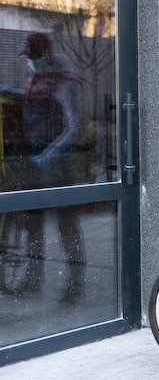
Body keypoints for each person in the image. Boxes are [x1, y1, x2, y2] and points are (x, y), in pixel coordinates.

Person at [0, 33, 86, 304]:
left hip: (59, 166)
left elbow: (76, 127)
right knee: (32, 225)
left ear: (46, 56)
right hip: (32, 163)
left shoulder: (65, 84)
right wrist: (7, 91)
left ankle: (76, 285)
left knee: (67, 226)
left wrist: (50, 155)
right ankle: (33, 280)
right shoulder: (34, 78)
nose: (31, 63)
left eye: (35, 57)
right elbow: (31, 101)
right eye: (29, 57)